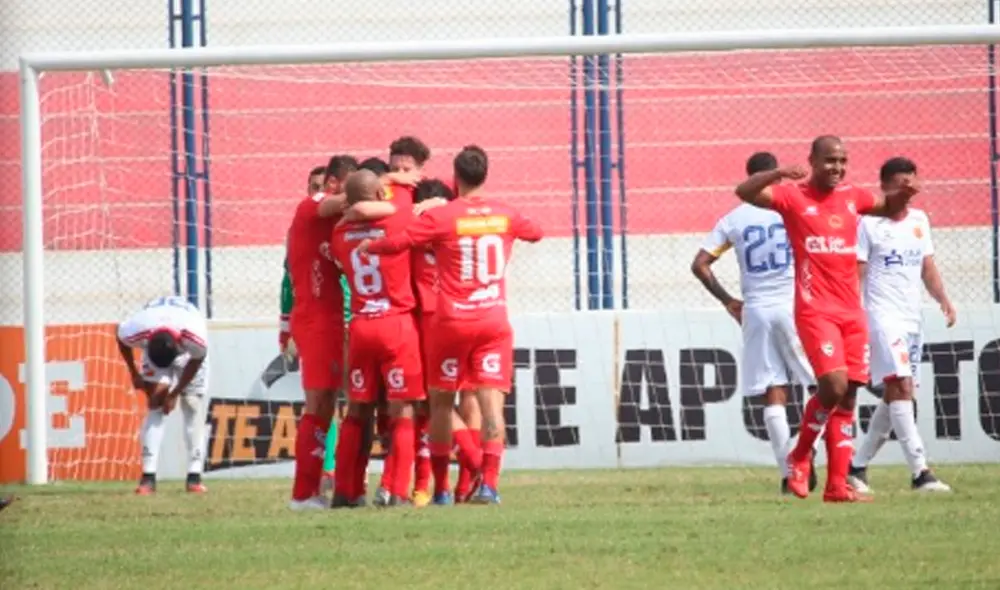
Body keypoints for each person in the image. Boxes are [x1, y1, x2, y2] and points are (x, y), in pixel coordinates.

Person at [734, 135, 918, 502]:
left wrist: (906, 194)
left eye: (842, 160)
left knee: (848, 396)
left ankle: (837, 485)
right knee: (832, 387)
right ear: (813, 161)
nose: (837, 167)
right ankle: (799, 457)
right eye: (830, 160)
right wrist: (779, 173)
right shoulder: (792, 197)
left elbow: (885, 207)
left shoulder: (854, 197)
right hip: (815, 309)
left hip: (852, 311)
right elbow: (745, 191)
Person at [362, 145, 543, 504]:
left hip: (451, 323)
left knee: (441, 404)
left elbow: (401, 241)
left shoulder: (442, 217)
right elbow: (536, 231)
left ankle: (442, 489)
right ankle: (489, 485)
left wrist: (371, 246)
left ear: (455, 177)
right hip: (493, 320)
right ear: (485, 175)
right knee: (490, 404)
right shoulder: (504, 214)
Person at [692, 151, 817, 495]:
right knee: (821, 386)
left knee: (772, 391)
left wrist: (729, 301)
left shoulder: (734, 218)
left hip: (757, 310)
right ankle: (812, 453)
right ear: (775, 180)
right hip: (796, 307)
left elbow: (700, 265)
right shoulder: (792, 207)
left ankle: (787, 471)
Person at [848, 157, 955, 494]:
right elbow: (857, 271)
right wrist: (852, 314)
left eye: (911, 183)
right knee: (902, 387)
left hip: (912, 318)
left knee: (896, 394)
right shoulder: (867, 223)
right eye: (899, 184)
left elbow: (927, 266)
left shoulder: (920, 220)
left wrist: (943, 299)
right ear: (884, 187)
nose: (907, 190)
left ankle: (857, 467)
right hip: (881, 317)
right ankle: (920, 472)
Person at [330, 169, 426, 507]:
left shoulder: (339, 233)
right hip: (396, 323)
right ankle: (394, 489)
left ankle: (346, 490)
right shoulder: (399, 222)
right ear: (380, 195)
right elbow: (406, 211)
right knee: (402, 411)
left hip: (360, 326)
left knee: (356, 411)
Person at [285, 154, 357, 510]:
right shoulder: (312, 204)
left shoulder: (335, 224)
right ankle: (303, 494)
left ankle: (337, 487)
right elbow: (341, 201)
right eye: (352, 184)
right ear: (333, 184)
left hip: (329, 319)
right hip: (315, 319)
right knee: (318, 403)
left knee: (333, 403)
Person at [116, 295, 209, 495]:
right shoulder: (136, 330)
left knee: (192, 403)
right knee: (156, 402)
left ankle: (194, 476)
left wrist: (175, 392)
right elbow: (119, 335)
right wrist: (134, 373)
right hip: (157, 338)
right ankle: (148, 477)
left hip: (187, 352)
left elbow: (197, 360)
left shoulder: (194, 335)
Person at [279, 166, 327, 359]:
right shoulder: (297, 231)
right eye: (315, 188)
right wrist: (285, 330)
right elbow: (288, 283)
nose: (319, 193)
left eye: (323, 187)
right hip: (309, 320)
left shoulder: (344, 226)